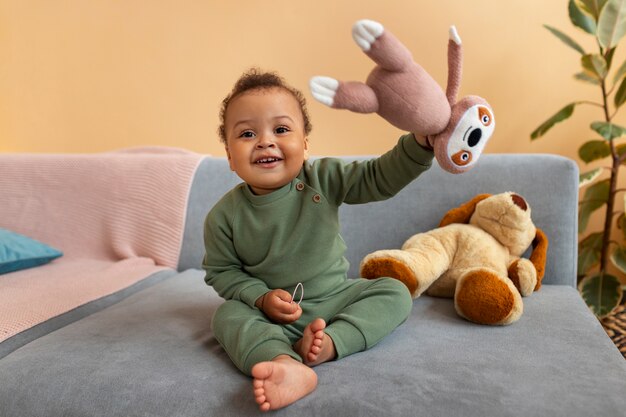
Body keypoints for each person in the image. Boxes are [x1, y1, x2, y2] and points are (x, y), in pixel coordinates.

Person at [202, 68, 434, 412]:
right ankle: (284, 363)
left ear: (305, 145)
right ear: (230, 156)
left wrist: (419, 145)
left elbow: (377, 177)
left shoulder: (323, 179)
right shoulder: (224, 216)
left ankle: (330, 343)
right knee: (226, 317)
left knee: (394, 291)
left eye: (281, 129)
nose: (265, 141)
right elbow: (222, 273)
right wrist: (261, 298)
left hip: (335, 299)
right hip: (270, 315)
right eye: (247, 133)